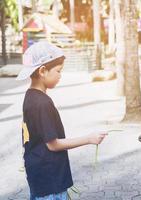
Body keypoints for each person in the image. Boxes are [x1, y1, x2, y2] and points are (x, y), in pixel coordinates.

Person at [17, 41, 107, 200]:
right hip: (50, 181)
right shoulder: (42, 103)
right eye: (58, 71)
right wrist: (89, 139)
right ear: (43, 70)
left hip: (38, 177)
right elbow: (53, 144)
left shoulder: (30, 96)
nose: (60, 76)